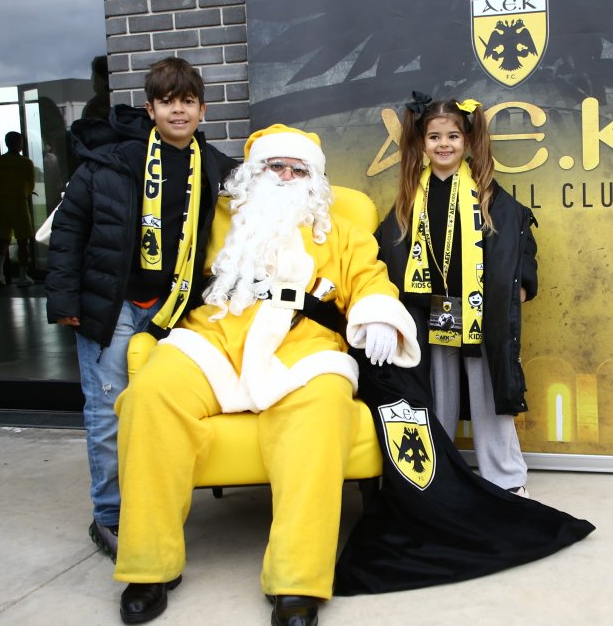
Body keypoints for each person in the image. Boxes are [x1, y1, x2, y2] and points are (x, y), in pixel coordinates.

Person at [112, 124, 420, 625]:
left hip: (303, 349)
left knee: (322, 411)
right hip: (213, 339)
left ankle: (296, 580)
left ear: (315, 181)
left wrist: (380, 315)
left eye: (299, 170)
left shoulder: (340, 232)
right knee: (150, 395)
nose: (286, 177)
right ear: (254, 173)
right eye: (277, 166)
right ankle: (149, 566)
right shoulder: (215, 217)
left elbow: (370, 280)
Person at [45, 57, 238, 563]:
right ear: (150, 109)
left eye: (188, 101)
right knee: (108, 412)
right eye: (167, 102)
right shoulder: (114, 159)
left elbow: (263, 182)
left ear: (202, 109)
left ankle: (154, 504)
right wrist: (64, 299)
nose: (179, 111)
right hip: (111, 304)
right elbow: (69, 228)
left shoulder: (211, 164)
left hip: (173, 309)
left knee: (158, 409)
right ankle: (110, 516)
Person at [375, 91, 537, 496]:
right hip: (433, 312)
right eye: (434, 137)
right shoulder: (410, 197)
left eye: (452, 136)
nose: (443, 144)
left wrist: (521, 283)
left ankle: (506, 478)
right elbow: (384, 249)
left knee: (488, 395)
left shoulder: (486, 192)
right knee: (437, 395)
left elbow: (520, 239)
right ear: (422, 143)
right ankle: (441, 474)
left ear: (467, 141)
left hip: (478, 311)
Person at [0, 131, 36, 286]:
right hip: (19, 205)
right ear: (19, 143)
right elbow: (30, 184)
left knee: (3, 241)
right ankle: (23, 277)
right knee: (23, 241)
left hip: (2, 205)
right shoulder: (26, 163)